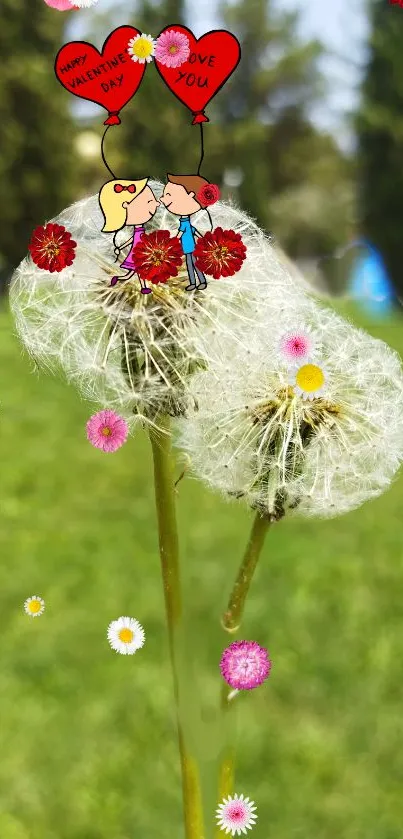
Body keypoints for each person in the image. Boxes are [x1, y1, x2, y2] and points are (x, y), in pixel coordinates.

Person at [99, 178, 160, 293]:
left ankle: (118, 279)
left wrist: (121, 247)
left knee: (131, 274)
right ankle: (144, 287)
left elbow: (134, 239)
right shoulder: (138, 231)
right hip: (138, 253)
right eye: (148, 202)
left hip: (140, 252)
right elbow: (134, 240)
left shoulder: (139, 230)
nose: (155, 204)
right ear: (126, 206)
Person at [160, 173, 210, 291]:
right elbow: (193, 231)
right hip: (187, 248)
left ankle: (198, 281)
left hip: (190, 248)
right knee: (192, 265)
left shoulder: (185, 223)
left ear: (190, 195)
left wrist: (172, 242)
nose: (163, 199)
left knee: (192, 265)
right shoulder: (185, 221)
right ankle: (196, 282)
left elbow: (183, 232)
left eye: (169, 195)